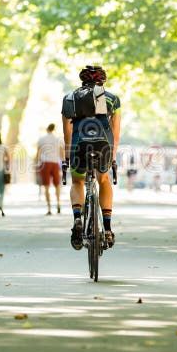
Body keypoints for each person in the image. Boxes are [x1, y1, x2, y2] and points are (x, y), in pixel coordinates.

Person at [62, 65, 121, 250]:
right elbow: (115, 132)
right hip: (103, 146)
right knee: (103, 180)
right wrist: (112, 157)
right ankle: (109, 228)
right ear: (102, 81)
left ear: (82, 81)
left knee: (78, 182)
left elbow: (67, 132)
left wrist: (67, 156)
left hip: (80, 145)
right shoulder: (112, 99)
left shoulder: (69, 98)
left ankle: (78, 218)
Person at [36, 123, 64, 215]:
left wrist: (37, 162)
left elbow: (38, 152)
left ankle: (49, 208)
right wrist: (63, 162)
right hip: (55, 163)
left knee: (46, 186)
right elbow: (61, 152)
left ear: (47, 129)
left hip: (45, 163)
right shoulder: (58, 139)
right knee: (57, 185)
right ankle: (58, 204)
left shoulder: (42, 139)